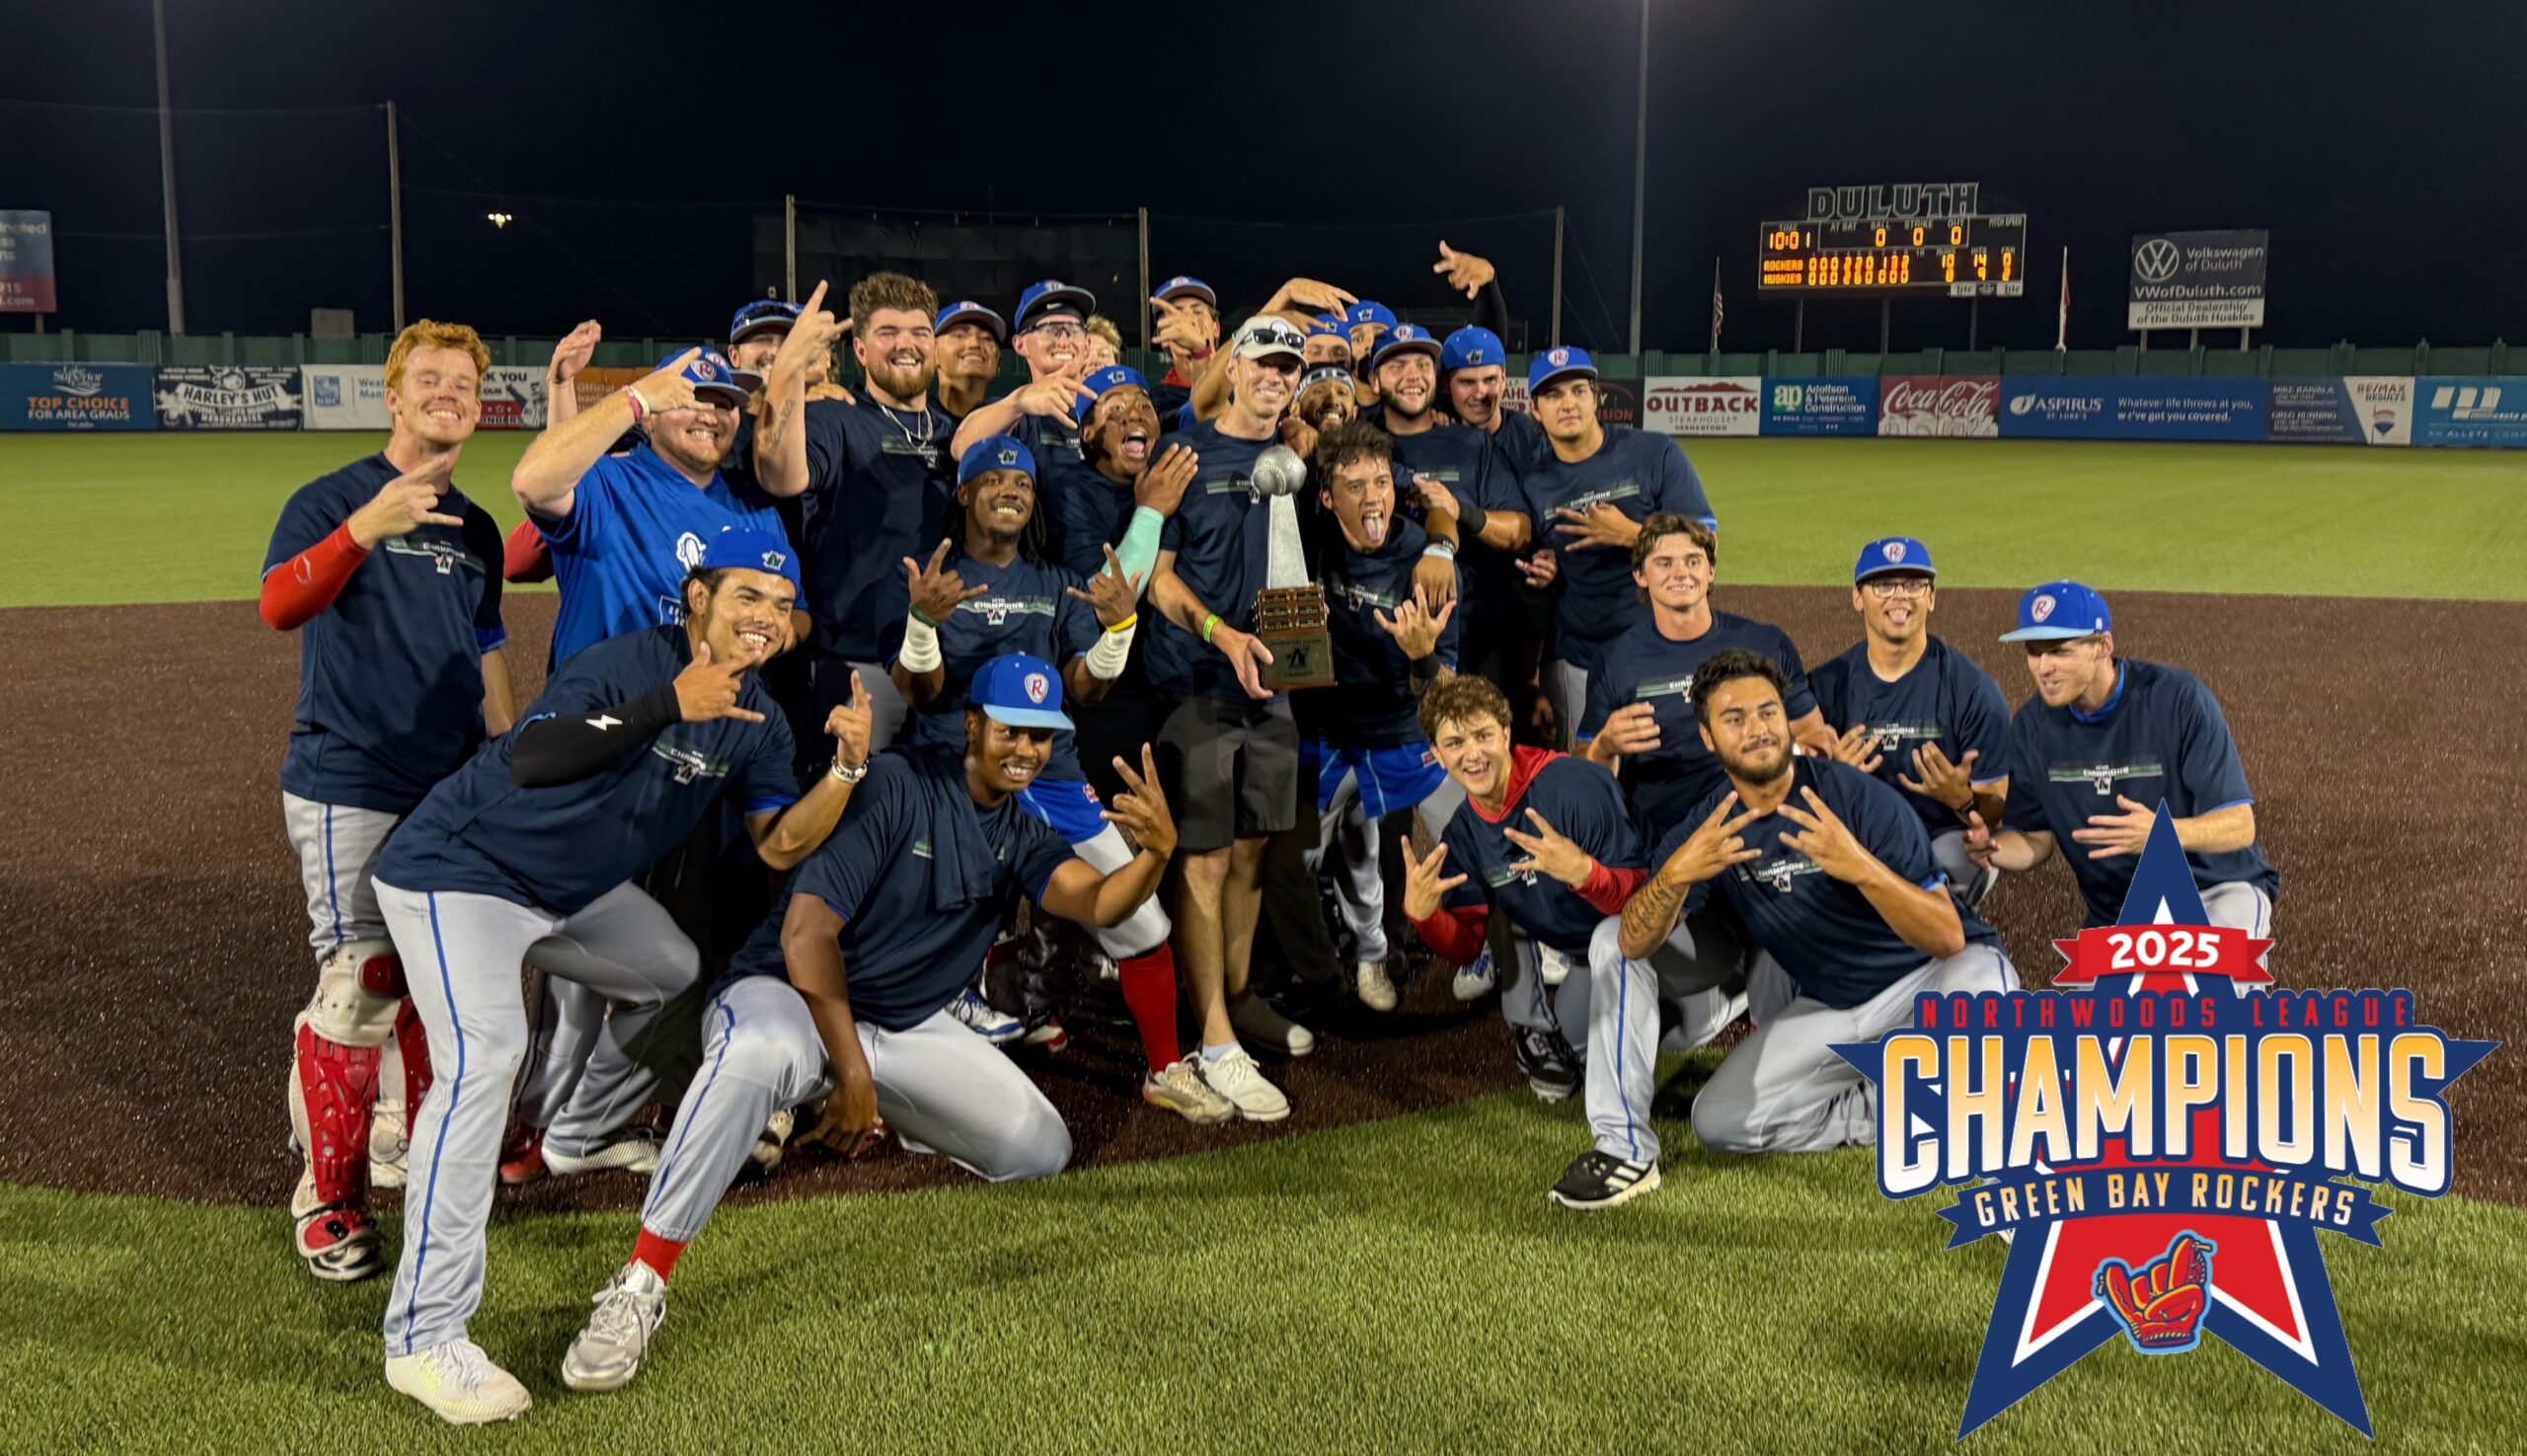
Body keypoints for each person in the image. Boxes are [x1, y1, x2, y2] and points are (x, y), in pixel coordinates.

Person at [554, 660, 1181, 1396]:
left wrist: (1156, 856)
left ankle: (881, 1103)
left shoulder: (1022, 829)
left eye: (1043, 737)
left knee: (1038, 1146)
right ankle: (639, 1282)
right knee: (758, 1051)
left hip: (899, 1024)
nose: (1027, 749)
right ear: (973, 725)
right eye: (1011, 729)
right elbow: (806, 935)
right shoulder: (897, 783)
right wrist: (850, 1075)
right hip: (788, 996)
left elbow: (1102, 903)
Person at [370, 533, 869, 1423]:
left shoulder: (759, 716)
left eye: (778, 602)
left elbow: (778, 842)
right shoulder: (630, 663)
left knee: (671, 970)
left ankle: (586, 1129)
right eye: (744, 594)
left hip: (567, 895)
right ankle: (423, 1335)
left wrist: (846, 770)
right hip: (458, 870)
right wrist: (665, 705)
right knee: (486, 1058)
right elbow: (533, 755)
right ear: (696, 600)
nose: (762, 616)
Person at [258, 318, 516, 1283]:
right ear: (394, 397)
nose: (449, 392)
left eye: (464, 382)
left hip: (449, 784)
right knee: (361, 979)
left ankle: (407, 1145)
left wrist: (503, 749)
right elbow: (279, 604)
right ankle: (328, 1195)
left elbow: (486, 640)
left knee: (433, 977)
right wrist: (364, 528)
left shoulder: (476, 525)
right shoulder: (329, 498)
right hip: (351, 777)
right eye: (430, 379)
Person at [1576, 650, 2016, 1207]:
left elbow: (1948, 937)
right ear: (1709, 738)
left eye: (1767, 712)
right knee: (1720, 1122)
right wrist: (1679, 873)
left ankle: (2010, 1155)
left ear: (1787, 719)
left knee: (1980, 982)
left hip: (1927, 981)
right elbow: (1632, 942)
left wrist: (1859, 865)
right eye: (1734, 719)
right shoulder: (1710, 822)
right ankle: (1895, 1110)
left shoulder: (1857, 798)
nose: (1757, 729)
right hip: (1834, 1004)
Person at [881, 435, 1230, 1121]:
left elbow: (1086, 690)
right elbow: (919, 693)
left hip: (1052, 777)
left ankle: (1164, 1067)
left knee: (1142, 922)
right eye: (995, 478)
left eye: (1023, 481)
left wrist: (1116, 631)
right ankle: (902, 1078)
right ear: (965, 494)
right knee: (921, 931)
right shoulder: (936, 576)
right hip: (954, 779)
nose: (1011, 488)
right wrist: (922, 623)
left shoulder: (1052, 583)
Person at [1145, 314, 1314, 1118]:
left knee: (1251, 852)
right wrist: (1222, 634)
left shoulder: (1292, 459)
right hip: (1197, 685)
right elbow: (1156, 578)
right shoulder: (1186, 455)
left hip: (1274, 688)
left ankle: (1236, 1002)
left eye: (1292, 368)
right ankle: (1213, 1039)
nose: (1279, 378)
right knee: (1205, 860)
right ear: (1233, 369)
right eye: (1267, 364)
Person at [1968, 581, 2278, 933]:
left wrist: (2162, 834)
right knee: (2106, 992)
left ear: (2103, 646)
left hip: (2216, 890)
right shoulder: (2030, 728)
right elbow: (2035, 840)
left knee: (2203, 986)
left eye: (2059, 651)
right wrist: (1993, 848)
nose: (2043, 667)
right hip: (2118, 912)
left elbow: (2240, 825)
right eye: (2034, 652)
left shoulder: (2176, 699)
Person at [1402, 676, 1643, 1101]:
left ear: (1507, 734)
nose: (1472, 754)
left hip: (1642, 936)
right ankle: (1536, 1028)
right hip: (1585, 957)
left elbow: (1647, 891)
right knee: (1577, 1049)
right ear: (1437, 756)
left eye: (1483, 735)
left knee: (1681, 1029)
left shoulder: (1572, 785)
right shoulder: (1462, 834)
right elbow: (1468, 947)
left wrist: (1587, 874)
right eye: (1455, 743)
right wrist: (1425, 916)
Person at [1297, 421, 1462, 1012]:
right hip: (1322, 733)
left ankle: (1383, 955)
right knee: (1299, 861)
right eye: (1353, 484)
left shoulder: (1427, 560)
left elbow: (1449, 689)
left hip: (1397, 734)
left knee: (1432, 840)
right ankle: (1323, 961)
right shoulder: (1306, 542)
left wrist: (1422, 657)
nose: (1372, 496)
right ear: (1325, 496)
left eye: (1380, 481)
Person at [755, 271, 954, 755]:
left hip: (945, 666)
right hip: (857, 667)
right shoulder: (834, 418)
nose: (906, 344)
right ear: (860, 351)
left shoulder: (958, 433)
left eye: (919, 333)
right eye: (888, 332)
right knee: (849, 818)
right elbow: (778, 475)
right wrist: (789, 369)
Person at [1576, 514, 1833, 840]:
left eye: (1693, 561)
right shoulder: (1616, 658)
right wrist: (1605, 746)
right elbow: (1585, 769)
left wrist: (1788, 755)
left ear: (1710, 571)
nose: (1680, 573)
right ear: (1640, 575)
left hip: (1759, 830)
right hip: (1660, 837)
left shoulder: (1765, 643)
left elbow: (1813, 737)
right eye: (1664, 563)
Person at [1517, 347, 1717, 744]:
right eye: (1553, 395)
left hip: (1664, 649)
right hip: (1579, 657)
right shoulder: (1534, 482)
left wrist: (1630, 534)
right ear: (1535, 410)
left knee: (1675, 762)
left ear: (1595, 397)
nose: (1568, 403)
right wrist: (1545, 566)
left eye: (1577, 390)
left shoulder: (1653, 452)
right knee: (1589, 771)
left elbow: (1706, 543)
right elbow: (1539, 553)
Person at [1805, 537, 2011, 908]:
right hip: (1856, 834)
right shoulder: (1823, 686)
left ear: (1930, 598)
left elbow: (1996, 806)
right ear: (1858, 597)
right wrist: (1834, 778)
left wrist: (1962, 798)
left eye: (1914, 585)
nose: (1899, 597)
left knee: (1965, 858)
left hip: (1941, 836)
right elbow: (1789, 791)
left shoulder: (1971, 688)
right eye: (1883, 584)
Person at [1369, 322, 1531, 681]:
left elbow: (1520, 531)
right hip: (1378, 641)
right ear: (1374, 380)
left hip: (1477, 639)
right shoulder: (1362, 444)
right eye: (1397, 366)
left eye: (1423, 364)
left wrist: (1463, 514)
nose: (1413, 375)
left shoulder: (1471, 443)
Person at [947, 278, 1099, 468]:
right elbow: (961, 446)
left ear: (1087, 344)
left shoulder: (1108, 411)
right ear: (1020, 344)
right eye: (1050, 329)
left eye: (1073, 329)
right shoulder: (1014, 414)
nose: (1064, 340)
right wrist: (1017, 403)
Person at [1147, 274, 1219, 420]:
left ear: (1216, 328)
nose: (1188, 320)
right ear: (1163, 335)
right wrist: (1201, 353)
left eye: (1197, 312)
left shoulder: (1244, 382)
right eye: (1178, 314)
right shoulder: (1153, 401)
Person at [932, 299, 1006, 423]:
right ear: (933, 352)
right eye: (959, 335)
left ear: (998, 361)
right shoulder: (912, 422)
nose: (974, 344)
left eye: (986, 338)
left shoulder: (1014, 424)